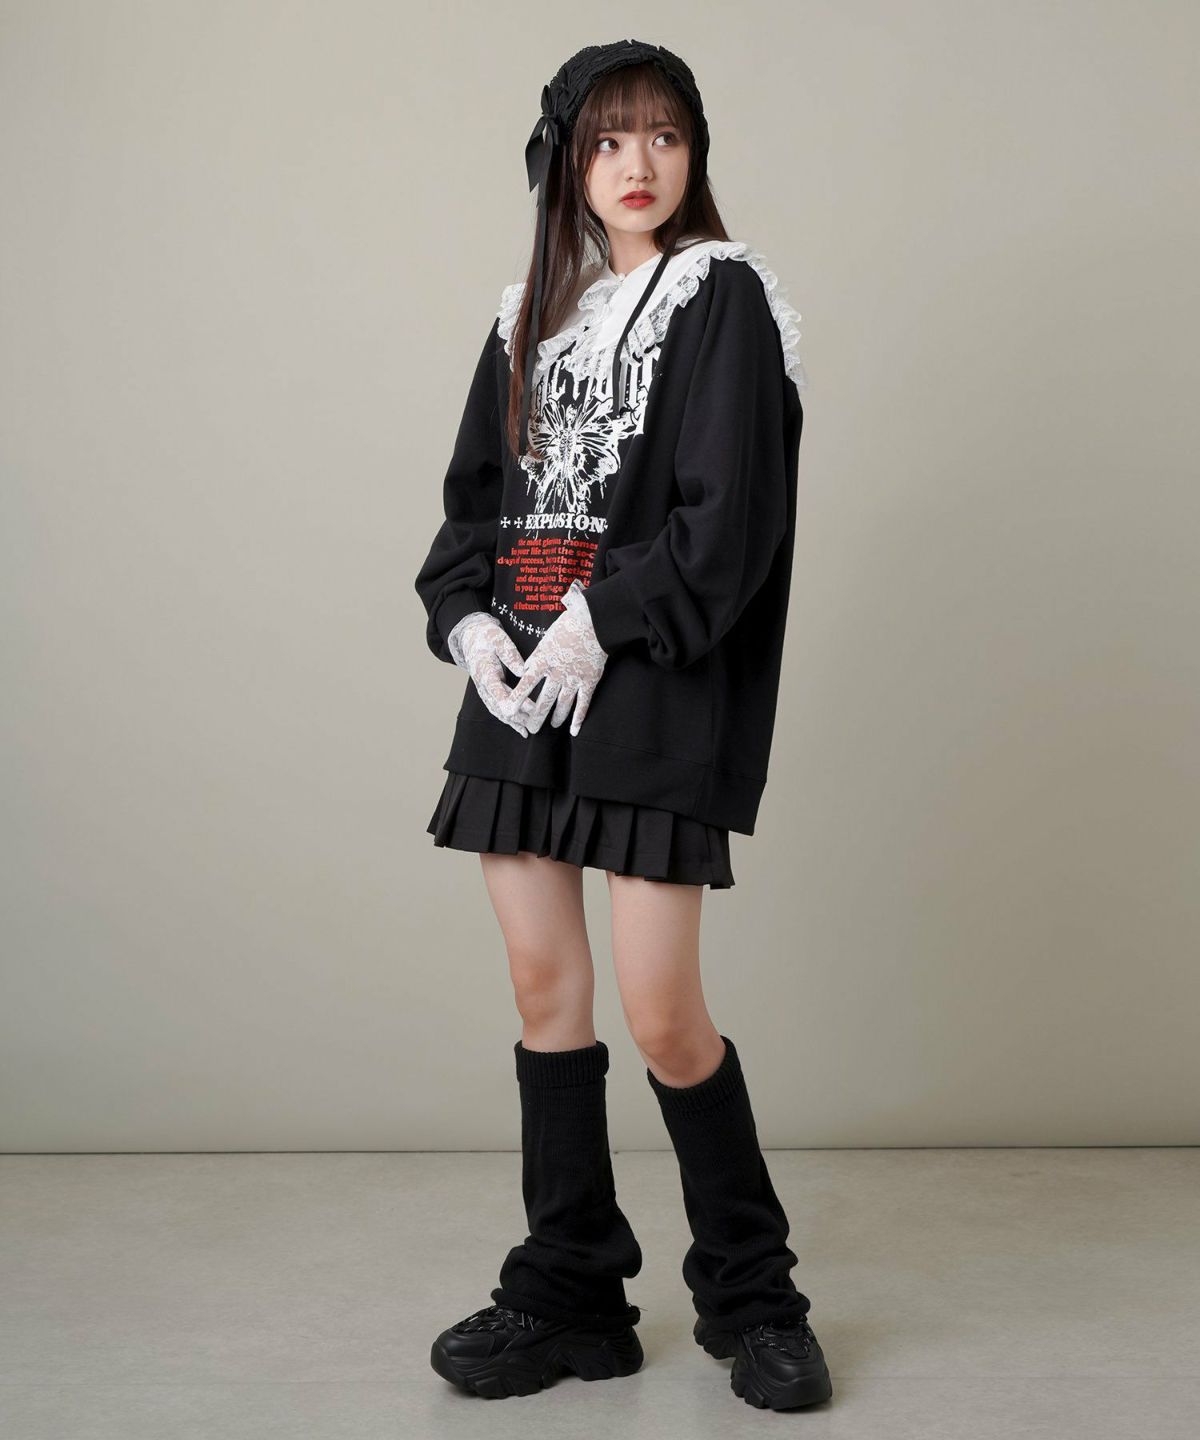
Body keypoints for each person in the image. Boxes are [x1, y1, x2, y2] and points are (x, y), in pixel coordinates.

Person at [415, 40, 832, 1413]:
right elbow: (475, 512)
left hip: (649, 677)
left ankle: (754, 1298)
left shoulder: (722, 297)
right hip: (523, 695)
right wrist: (475, 628)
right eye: (607, 140)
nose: (638, 164)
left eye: (663, 136)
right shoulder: (527, 319)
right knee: (546, 994)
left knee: (662, 1012)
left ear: (694, 153)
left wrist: (604, 619)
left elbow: (732, 518)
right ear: (566, 163)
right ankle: (571, 1290)